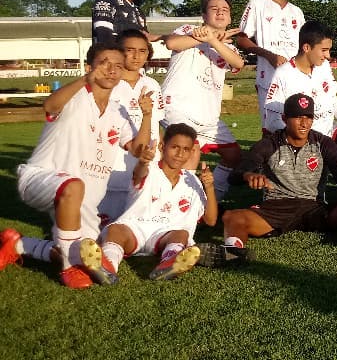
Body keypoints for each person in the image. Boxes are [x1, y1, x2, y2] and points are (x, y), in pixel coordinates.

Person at [0, 43, 154, 288]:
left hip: (85, 201)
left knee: (80, 249)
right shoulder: (76, 96)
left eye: (118, 66)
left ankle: (18, 244)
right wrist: (86, 80)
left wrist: (147, 116)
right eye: (105, 64)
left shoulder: (118, 111)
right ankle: (68, 269)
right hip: (41, 179)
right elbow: (50, 106)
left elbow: (137, 149)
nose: (112, 70)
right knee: (73, 187)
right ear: (89, 66)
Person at [201, 94, 337, 263]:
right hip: (276, 208)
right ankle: (233, 252)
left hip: (314, 207)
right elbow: (235, 175)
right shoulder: (269, 144)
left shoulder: (323, 143)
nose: (304, 123)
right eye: (298, 117)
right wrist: (248, 175)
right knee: (233, 217)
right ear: (284, 118)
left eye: (308, 117)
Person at [263, 21, 337, 199]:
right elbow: (271, 116)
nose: (328, 56)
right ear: (306, 47)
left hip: (327, 135)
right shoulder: (283, 74)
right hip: (302, 141)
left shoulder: (323, 68)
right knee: (308, 199)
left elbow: (331, 98)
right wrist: (297, 141)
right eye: (323, 50)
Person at [98, 123, 215, 281]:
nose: (180, 154)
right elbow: (140, 174)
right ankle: (107, 267)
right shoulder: (150, 169)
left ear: (191, 152)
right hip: (135, 229)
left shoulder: (191, 180)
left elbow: (211, 220)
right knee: (115, 230)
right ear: (162, 146)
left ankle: (168, 264)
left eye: (186, 149)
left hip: (165, 234)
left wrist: (209, 187)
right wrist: (142, 162)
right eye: (175, 147)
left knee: (181, 234)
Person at [159, 0, 246, 200]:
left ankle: (211, 200)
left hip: (207, 117)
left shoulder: (227, 47)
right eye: (214, 9)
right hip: (178, 108)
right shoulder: (189, 30)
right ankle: (180, 205)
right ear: (204, 15)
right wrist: (204, 36)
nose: (220, 13)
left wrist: (214, 40)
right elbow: (172, 43)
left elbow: (238, 63)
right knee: (190, 151)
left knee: (234, 155)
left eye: (225, 10)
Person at [99, 29, 165, 226]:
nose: (137, 56)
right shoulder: (108, 84)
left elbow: (157, 121)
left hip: (148, 161)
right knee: (106, 225)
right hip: (114, 163)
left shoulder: (151, 83)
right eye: (130, 50)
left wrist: (160, 144)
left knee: (144, 222)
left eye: (142, 51)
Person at [236, 0, 306, 118]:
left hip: (295, 79)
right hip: (268, 78)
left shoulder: (297, 12)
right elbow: (241, 38)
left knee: (296, 125)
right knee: (272, 127)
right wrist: (269, 55)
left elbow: (304, 46)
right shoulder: (257, 4)